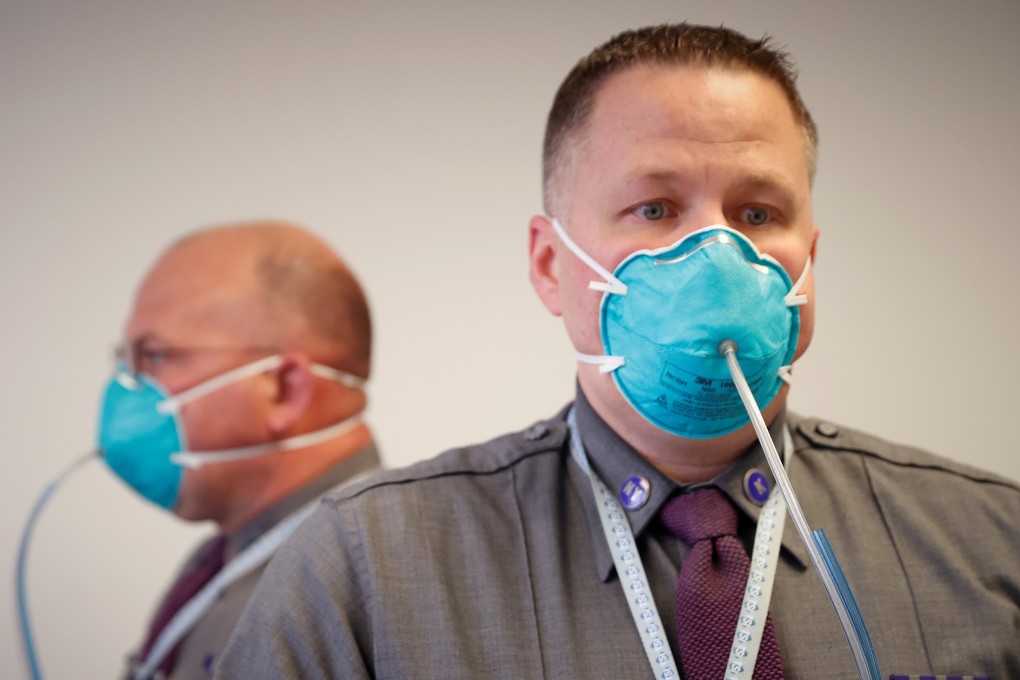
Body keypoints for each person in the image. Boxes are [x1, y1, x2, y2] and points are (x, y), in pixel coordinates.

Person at [214, 24, 1020, 679]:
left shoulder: (990, 544)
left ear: (812, 260)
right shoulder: (364, 570)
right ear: (549, 265)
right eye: (655, 207)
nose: (716, 253)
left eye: (758, 212)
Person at [102, 220, 381, 680]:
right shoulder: (217, 564)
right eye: (126, 361)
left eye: (155, 356)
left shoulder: (362, 588)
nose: (126, 390)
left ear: (283, 389)